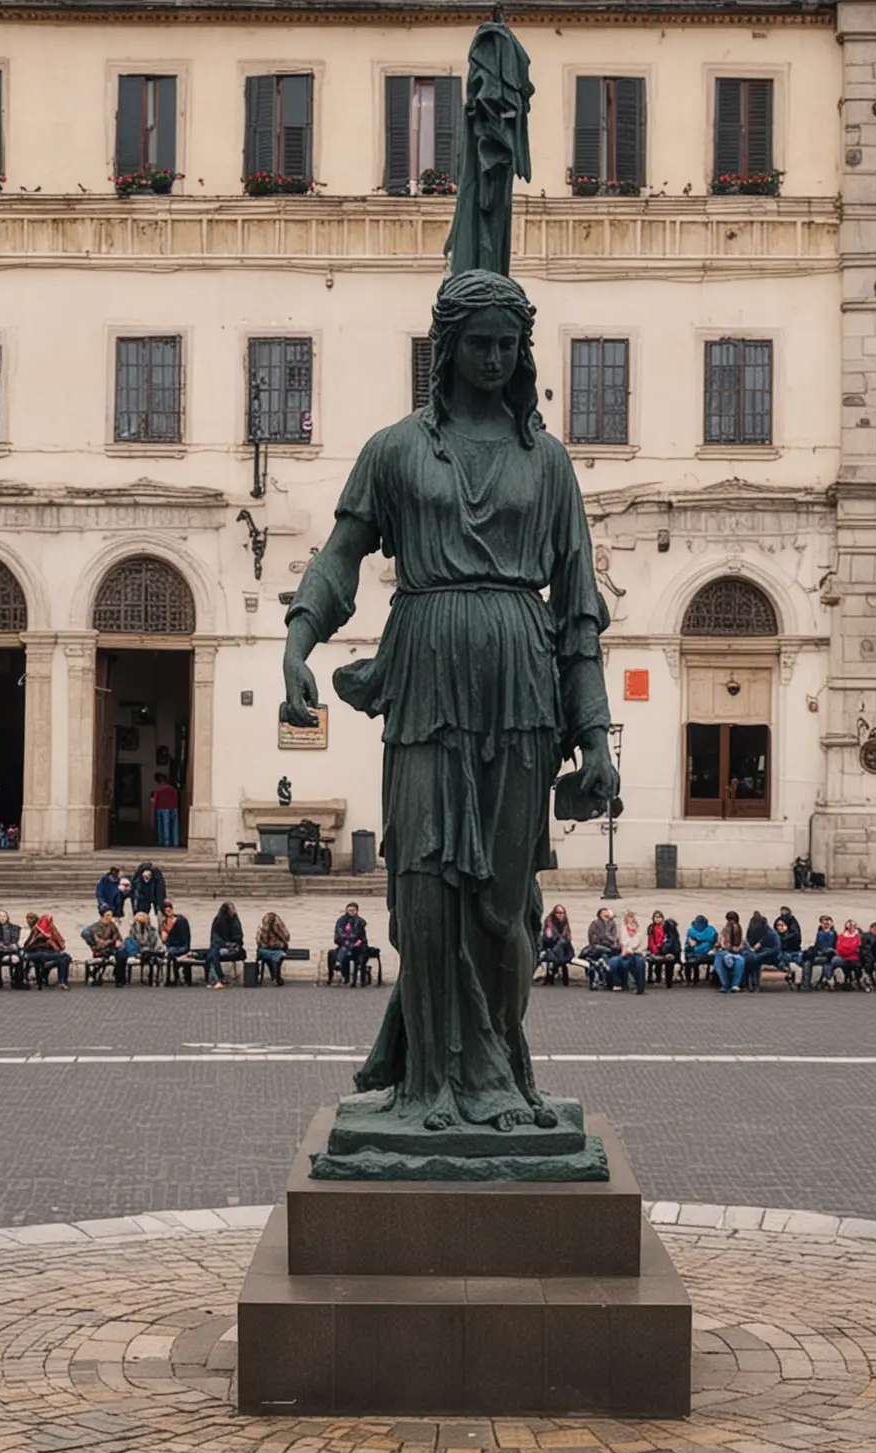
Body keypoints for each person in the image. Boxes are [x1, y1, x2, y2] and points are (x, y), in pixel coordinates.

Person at [280, 265, 619, 1136]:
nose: (498, 358)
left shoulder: (548, 464)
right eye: (482, 343)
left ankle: (497, 1071)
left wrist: (596, 740)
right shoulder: (395, 451)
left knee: (505, 907)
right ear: (448, 349)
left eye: (511, 345)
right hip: (427, 678)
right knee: (424, 888)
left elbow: (578, 611)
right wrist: (298, 641)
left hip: (522, 686)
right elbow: (341, 556)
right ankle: (433, 1080)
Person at [23, 912, 70, 988]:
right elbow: (28, 945)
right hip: (37, 953)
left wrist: (51, 941)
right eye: (28, 918)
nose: (29, 920)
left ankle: (62, 981)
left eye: (31, 918)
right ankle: (52, 978)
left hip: (49, 952)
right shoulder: (35, 930)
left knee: (66, 957)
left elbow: (60, 942)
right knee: (62, 956)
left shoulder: (49, 928)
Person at [206, 901, 243, 989]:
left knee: (212, 954)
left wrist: (228, 944)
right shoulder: (218, 921)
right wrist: (224, 944)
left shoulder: (235, 921)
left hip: (233, 947)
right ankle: (218, 978)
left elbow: (238, 938)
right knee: (213, 954)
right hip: (220, 946)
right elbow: (215, 938)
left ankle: (217, 978)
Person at [609, 910, 646, 995]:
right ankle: (616, 983)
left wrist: (631, 949)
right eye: (628, 917)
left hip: (636, 952)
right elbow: (623, 940)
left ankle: (640, 986)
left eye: (631, 916)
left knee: (639, 963)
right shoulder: (623, 927)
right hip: (625, 952)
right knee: (614, 963)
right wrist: (626, 949)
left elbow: (638, 940)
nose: (630, 918)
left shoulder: (638, 927)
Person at [87, 908, 127, 985]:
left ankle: (120, 978)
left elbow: (119, 937)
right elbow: (100, 942)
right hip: (101, 950)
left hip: (112, 948)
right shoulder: (96, 927)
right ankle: (120, 979)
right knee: (119, 954)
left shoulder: (112, 925)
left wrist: (119, 941)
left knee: (122, 953)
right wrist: (113, 941)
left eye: (111, 915)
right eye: (108, 915)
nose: (110, 917)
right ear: (102, 916)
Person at [334, 902, 370, 985]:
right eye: (349, 910)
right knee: (345, 948)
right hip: (345, 943)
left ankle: (339, 962)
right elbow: (339, 934)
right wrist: (345, 941)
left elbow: (362, 936)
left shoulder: (360, 922)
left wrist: (358, 942)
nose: (351, 912)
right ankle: (345, 977)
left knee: (347, 949)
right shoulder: (342, 921)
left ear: (357, 911)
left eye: (353, 910)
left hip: (358, 945)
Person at [712, 910, 747, 993]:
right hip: (726, 952)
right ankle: (728, 985)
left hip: (735, 953)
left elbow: (742, 943)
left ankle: (732, 985)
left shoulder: (737, 929)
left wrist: (736, 948)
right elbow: (720, 943)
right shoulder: (726, 929)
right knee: (721, 959)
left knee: (739, 961)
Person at [0, 909, 24, 988]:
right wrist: (3, 947)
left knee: (19, 959)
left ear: (7, 917)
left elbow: (14, 944)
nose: (2, 918)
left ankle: (18, 981)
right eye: (0, 916)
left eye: (4, 916)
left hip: (10, 951)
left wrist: (10, 953)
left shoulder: (13, 928)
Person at [539, 905, 574, 983]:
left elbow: (568, 938)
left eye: (562, 913)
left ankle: (553, 970)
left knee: (563, 943)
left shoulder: (565, 924)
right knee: (560, 944)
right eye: (558, 912)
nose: (560, 914)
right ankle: (554, 969)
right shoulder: (549, 923)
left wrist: (561, 940)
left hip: (565, 949)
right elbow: (548, 937)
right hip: (551, 947)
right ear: (554, 913)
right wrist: (558, 939)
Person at [745, 913, 780, 991]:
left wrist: (760, 953)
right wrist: (750, 949)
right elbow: (748, 941)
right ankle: (748, 983)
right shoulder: (751, 930)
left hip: (771, 955)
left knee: (756, 960)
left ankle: (755, 984)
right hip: (756, 952)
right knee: (749, 958)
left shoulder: (771, 933)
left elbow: (776, 949)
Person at [802, 915, 837, 989]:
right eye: (824, 923)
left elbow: (835, 948)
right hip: (819, 955)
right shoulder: (819, 933)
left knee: (823, 963)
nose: (826, 924)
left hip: (828, 956)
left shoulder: (834, 934)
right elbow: (817, 946)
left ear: (831, 924)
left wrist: (827, 951)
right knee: (807, 963)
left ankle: (826, 982)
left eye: (828, 923)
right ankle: (806, 983)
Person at [647, 911, 681, 987]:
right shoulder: (651, 927)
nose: (657, 919)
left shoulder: (669, 927)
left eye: (659, 917)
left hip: (669, 949)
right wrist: (655, 949)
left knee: (669, 959)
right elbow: (650, 941)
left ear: (662, 918)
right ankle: (657, 978)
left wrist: (664, 948)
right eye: (655, 917)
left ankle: (669, 982)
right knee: (654, 958)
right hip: (656, 949)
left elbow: (672, 940)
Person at [255, 910, 290, 984]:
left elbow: (258, 940)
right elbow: (286, 936)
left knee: (266, 957)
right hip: (277, 950)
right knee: (280, 953)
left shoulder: (261, 927)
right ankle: (277, 976)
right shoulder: (278, 926)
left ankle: (273, 975)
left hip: (263, 951)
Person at [682, 914, 716, 984]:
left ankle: (695, 979)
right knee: (688, 958)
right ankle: (689, 979)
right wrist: (690, 945)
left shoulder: (710, 930)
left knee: (695, 958)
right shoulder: (691, 930)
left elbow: (712, 942)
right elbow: (688, 942)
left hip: (706, 951)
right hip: (693, 950)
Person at [160, 902, 191, 975]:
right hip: (171, 946)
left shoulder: (180, 920)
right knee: (165, 951)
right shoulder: (165, 922)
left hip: (181, 947)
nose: (168, 913)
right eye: (166, 911)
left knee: (170, 952)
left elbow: (185, 939)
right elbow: (164, 938)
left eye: (169, 910)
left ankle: (176, 974)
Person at [150, 774, 181, 849]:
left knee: (163, 826)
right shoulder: (173, 789)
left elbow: (154, 801)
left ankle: (165, 842)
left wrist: (152, 818)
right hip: (174, 808)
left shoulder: (158, 790)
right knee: (175, 827)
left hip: (162, 808)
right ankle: (175, 842)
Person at [833, 919, 864, 989]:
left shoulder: (858, 936)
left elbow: (857, 948)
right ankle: (836, 982)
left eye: (853, 926)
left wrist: (847, 949)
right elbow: (839, 948)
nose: (851, 928)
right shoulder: (841, 936)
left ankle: (856, 981)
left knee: (857, 965)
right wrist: (850, 950)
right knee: (835, 961)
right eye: (849, 926)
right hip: (843, 957)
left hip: (855, 958)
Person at [774, 916, 801, 985]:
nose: (780, 927)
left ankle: (793, 975)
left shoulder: (793, 935)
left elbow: (796, 947)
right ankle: (791, 973)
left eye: (782, 925)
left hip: (793, 954)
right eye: (778, 925)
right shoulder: (775, 936)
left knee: (799, 957)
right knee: (786, 957)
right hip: (782, 956)